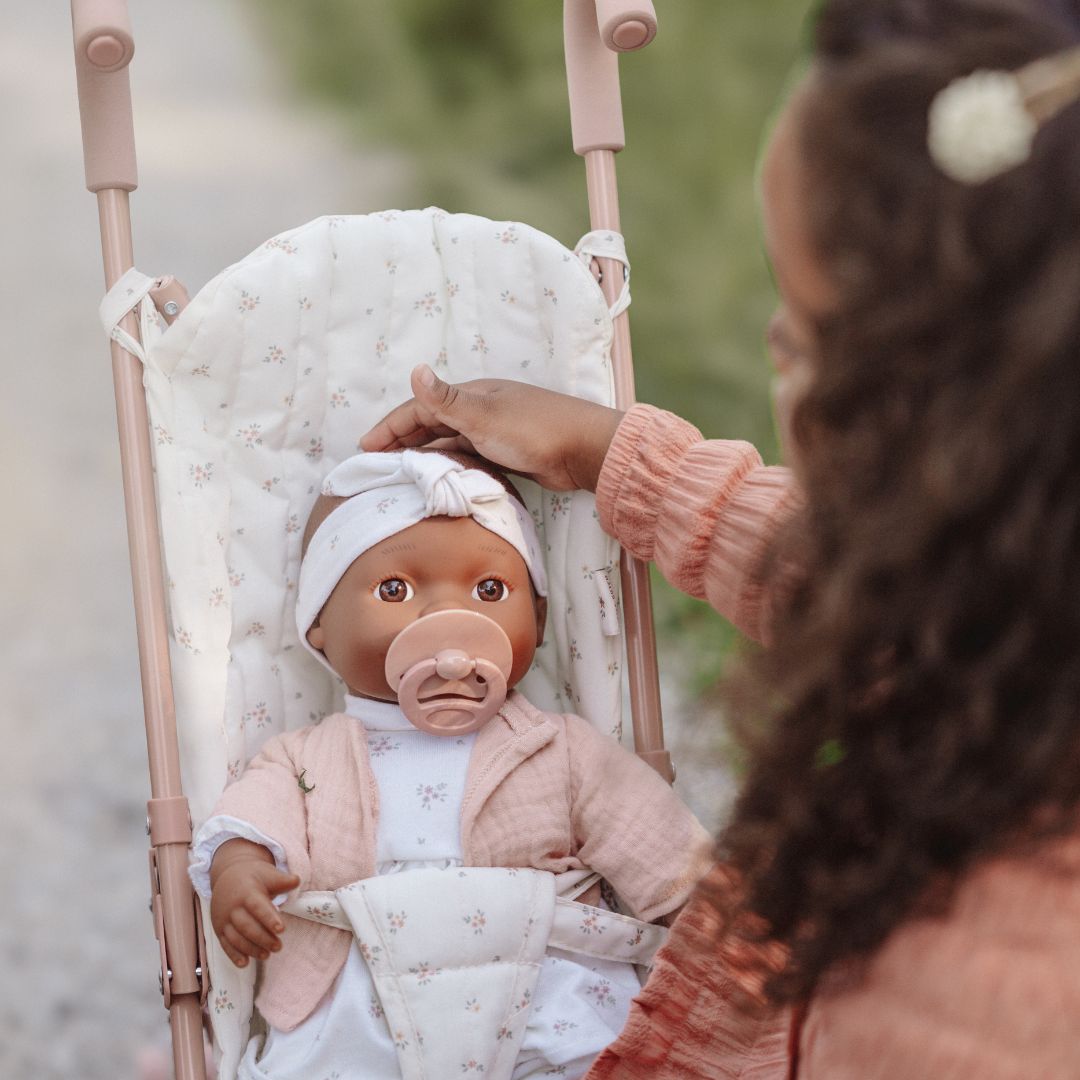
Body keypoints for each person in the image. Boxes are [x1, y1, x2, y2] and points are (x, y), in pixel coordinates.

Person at [360, 1, 1080, 1075]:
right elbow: (870, 585)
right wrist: (617, 458)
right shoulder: (1015, 607)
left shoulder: (969, 997)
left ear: (949, 416)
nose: (773, 354)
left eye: (800, 340)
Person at [189, 448, 712, 1080]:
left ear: (539, 619)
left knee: (591, 1051)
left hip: (542, 991)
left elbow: (662, 846)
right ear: (318, 624)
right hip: (361, 1002)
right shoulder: (304, 757)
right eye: (395, 589)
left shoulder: (560, 748)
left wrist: (717, 926)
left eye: (489, 590)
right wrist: (239, 869)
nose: (447, 617)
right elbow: (251, 818)